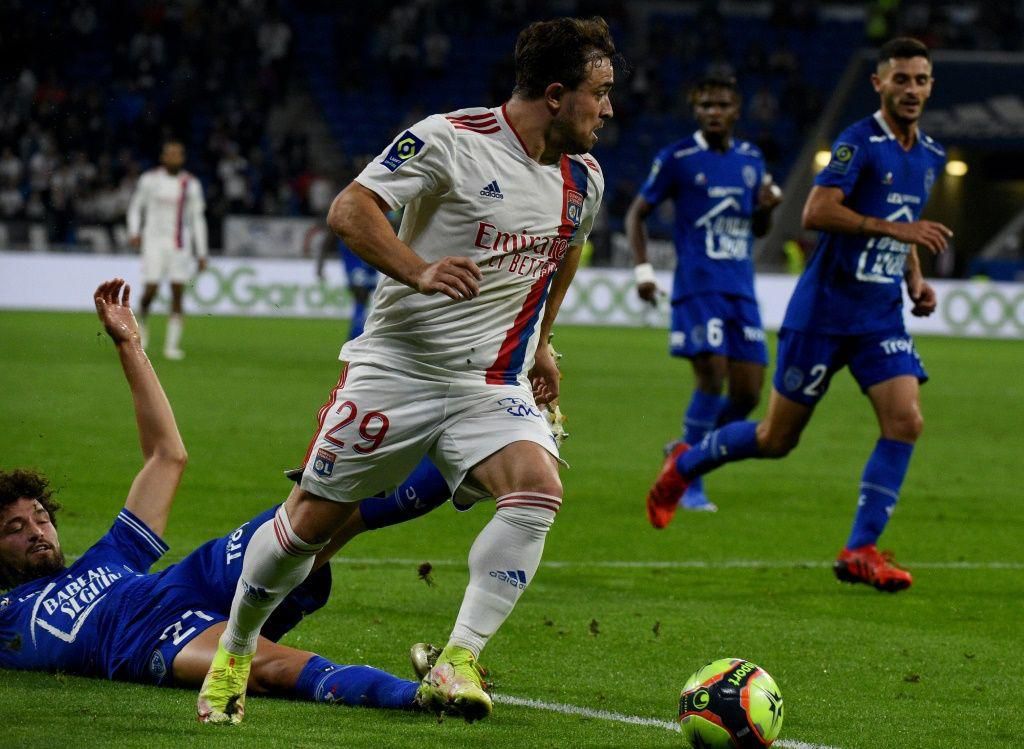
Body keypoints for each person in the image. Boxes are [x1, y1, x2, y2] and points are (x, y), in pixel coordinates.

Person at [198, 16, 615, 726]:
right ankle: (235, 646)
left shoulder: (584, 178)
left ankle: (460, 654)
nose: (609, 109)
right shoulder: (450, 139)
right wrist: (418, 270)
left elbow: (565, 247)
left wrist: (542, 338)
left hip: (490, 382)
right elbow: (350, 208)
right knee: (305, 529)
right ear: (554, 94)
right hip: (397, 369)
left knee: (538, 488)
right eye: (599, 92)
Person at [0, 279, 434, 716]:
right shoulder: (7, 617)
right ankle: (421, 697)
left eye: (39, 517)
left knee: (328, 508)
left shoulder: (108, 555)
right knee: (266, 669)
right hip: (149, 637)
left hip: (189, 581)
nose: (36, 532)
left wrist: (129, 344)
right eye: (14, 529)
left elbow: (166, 457)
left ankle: (466, 465)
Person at [646, 38, 952, 593]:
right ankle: (685, 465)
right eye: (901, 79)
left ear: (931, 86)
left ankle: (859, 550)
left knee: (906, 421)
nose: (912, 90)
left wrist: (915, 280)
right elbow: (816, 211)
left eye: (921, 80)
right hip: (823, 316)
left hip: (880, 318)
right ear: (878, 84)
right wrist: (899, 232)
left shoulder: (929, 155)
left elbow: (902, 220)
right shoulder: (857, 143)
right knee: (775, 438)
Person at [625, 75, 782, 515]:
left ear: (737, 111)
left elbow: (759, 229)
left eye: (723, 105)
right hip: (698, 287)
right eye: (706, 105)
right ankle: (690, 482)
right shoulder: (677, 157)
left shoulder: (752, 159)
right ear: (695, 111)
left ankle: (684, 451)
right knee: (712, 376)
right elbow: (638, 213)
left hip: (742, 290)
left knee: (749, 394)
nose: (714, 112)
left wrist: (766, 210)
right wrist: (643, 270)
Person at [127, 140, 208, 360]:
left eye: (178, 154)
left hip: (180, 245)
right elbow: (136, 207)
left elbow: (198, 219)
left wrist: (202, 252)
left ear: (183, 158)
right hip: (153, 243)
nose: (174, 158)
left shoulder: (191, 184)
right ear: (163, 157)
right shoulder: (150, 180)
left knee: (177, 292)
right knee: (151, 289)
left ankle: (172, 346)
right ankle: (142, 322)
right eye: (170, 154)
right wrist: (134, 231)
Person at [316, 236, 380, 341]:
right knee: (360, 295)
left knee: (370, 298)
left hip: (371, 263)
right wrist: (320, 266)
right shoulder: (343, 221)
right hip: (354, 264)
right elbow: (327, 241)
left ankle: (361, 335)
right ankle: (357, 336)